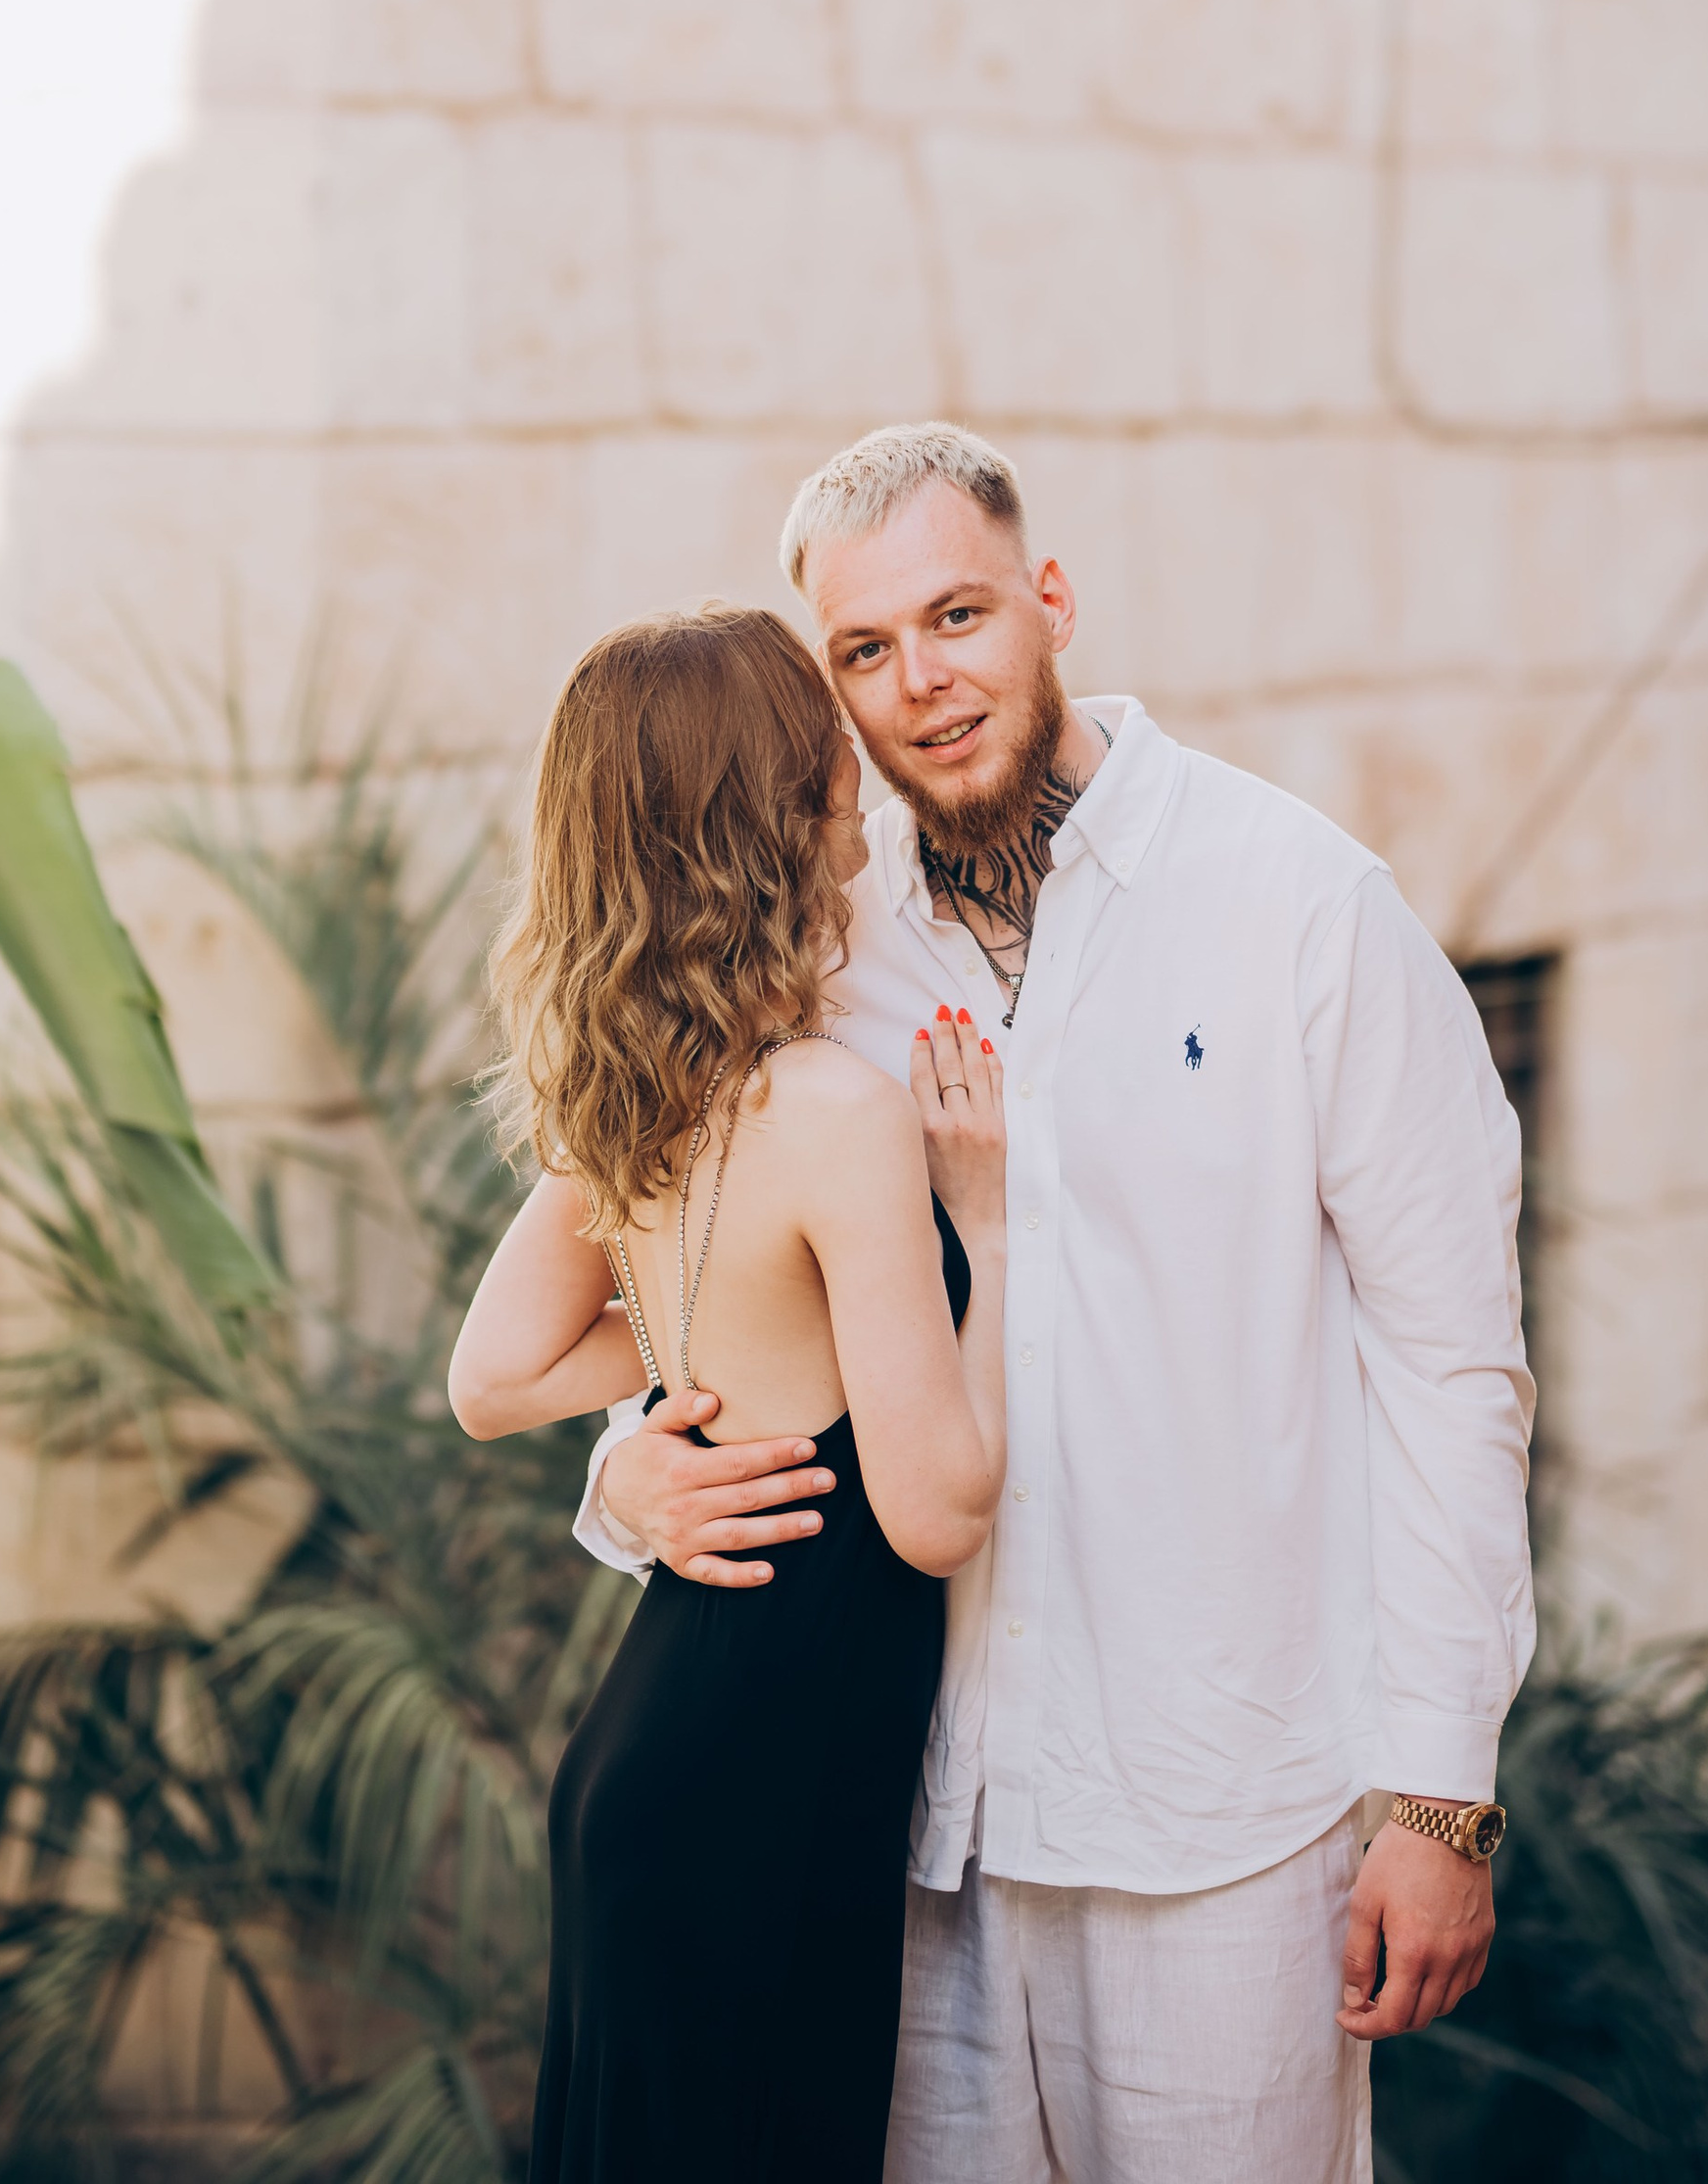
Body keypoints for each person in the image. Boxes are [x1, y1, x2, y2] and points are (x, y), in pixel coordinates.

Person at [573, 426, 1536, 2184]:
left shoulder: (1301, 908)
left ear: (1052, 600)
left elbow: (1454, 1370)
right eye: (865, 649)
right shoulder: (818, 952)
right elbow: (678, 1250)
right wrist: (629, 1469)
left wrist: (1442, 1797)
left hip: (1228, 1828)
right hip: (910, 1829)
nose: (923, 683)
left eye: (957, 615)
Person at [449, 603, 1014, 2183]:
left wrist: (695, 1343)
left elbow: (490, 1377)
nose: (863, 782)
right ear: (776, 814)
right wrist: (985, 1230)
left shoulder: (639, 1089)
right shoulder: (835, 1110)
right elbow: (941, 1507)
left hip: (660, 1757)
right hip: (761, 1795)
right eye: (832, 761)